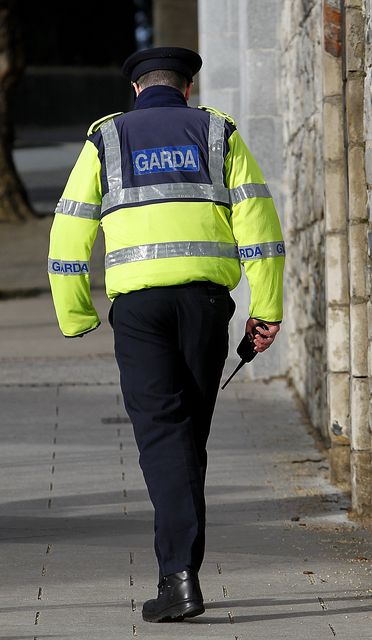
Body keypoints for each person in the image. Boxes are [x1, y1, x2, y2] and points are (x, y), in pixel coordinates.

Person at [48, 46, 285, 623]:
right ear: (186, 89)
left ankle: (178, 578)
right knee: (188, 438)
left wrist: (75, 313)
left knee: (163, 436)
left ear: (136, 90)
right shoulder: (217, 132)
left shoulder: (105, 139)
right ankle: (179, 570)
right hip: (205, 306)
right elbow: (258, 221)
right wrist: (266, 308)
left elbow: (70, 228)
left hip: (138, 310)